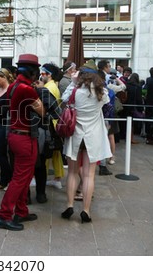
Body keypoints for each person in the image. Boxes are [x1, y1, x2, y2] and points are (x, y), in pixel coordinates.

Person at [0, 54, 45, 231]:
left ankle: (22, 211)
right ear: (33, 72)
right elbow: (42, 112)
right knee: (19, 179)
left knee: (23, 177)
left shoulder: (14, 86)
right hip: (24, 138)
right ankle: (4, 215)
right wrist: (41, 91)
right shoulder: (27, 89)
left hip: (17, 135)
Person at [61, 61, 111, 223]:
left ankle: (69, 205)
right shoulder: (101, 92)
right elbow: (107, 100)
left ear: (80, 75)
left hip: (75, 135)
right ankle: (86, 211)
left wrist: (73, 82)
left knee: (72, 173)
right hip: (93, 137)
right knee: (89, 175)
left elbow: (64, 99)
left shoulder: (75, 90)